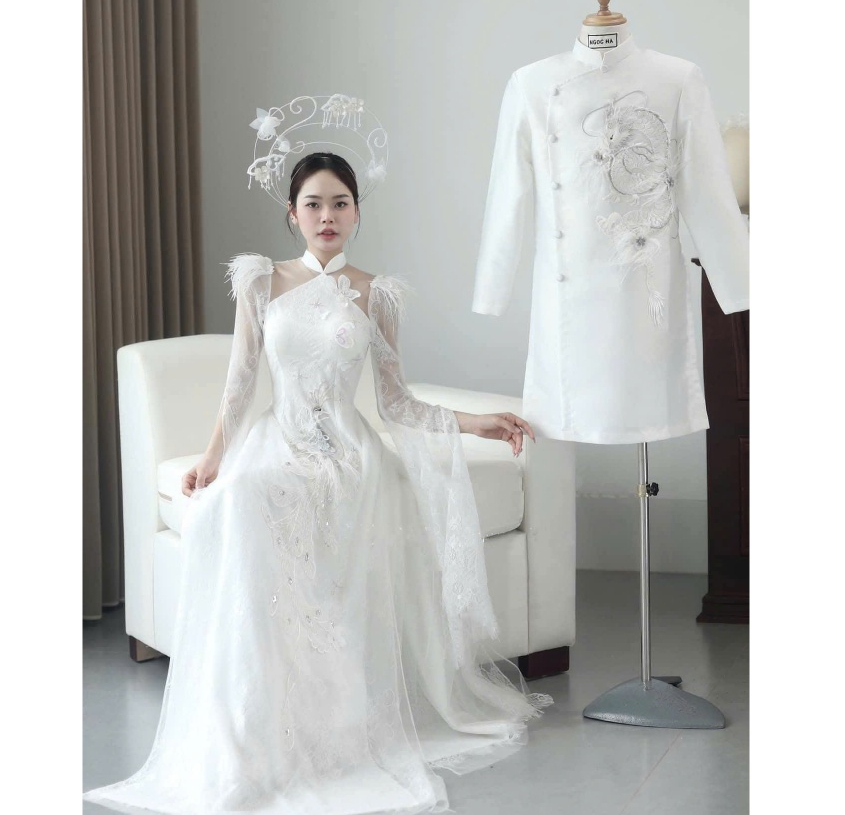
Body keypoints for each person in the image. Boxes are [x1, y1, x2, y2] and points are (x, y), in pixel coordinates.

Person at [83, 152, 552, 815]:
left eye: (339, 203)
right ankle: (252, 723)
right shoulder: (261, 281)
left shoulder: (376, 293)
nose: (326, 215)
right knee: (236, 501)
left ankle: (338, 719)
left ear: (357, 211)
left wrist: (476, 423)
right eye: (313, 203)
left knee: (327, 510)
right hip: (279, 439)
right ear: (292, 213)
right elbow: (240, 380)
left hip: (351, 456)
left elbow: (396, 402)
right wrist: (213, 457)